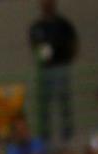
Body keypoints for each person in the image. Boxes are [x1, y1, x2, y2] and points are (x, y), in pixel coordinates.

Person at [29, 0, 78, 141]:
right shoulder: (37, 26)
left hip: (61, 65)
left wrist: (68, 57)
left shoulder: (63, 24)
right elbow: (35, 46)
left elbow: (73, 41)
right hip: (46, 68)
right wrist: (44, 58)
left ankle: (67, 129)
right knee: (45, 100)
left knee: (64, 98)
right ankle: (45, 132)